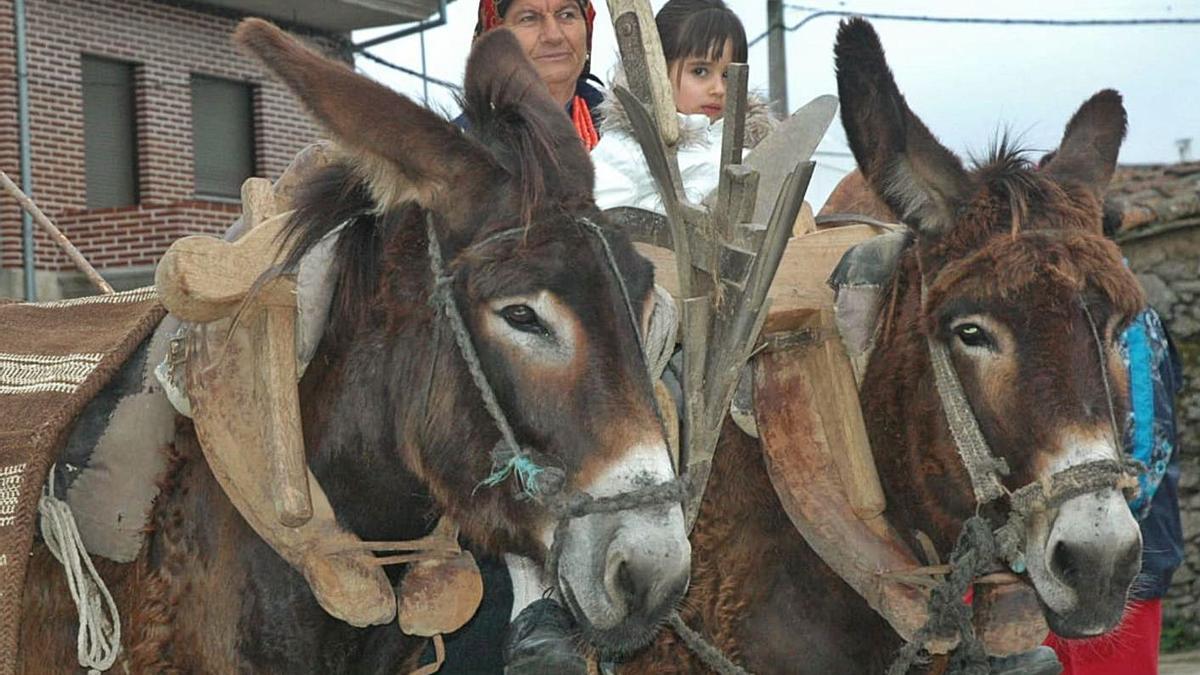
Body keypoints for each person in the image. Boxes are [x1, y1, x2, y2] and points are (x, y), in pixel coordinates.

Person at [1041, 207, 1186, 675]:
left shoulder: (1126, 314)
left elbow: (1146, 441)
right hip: (1065, 549)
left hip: (1112, 556)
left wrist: (1109, 531)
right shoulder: (1068, 311)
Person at [590, 0, 776, 213]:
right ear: (658, 70)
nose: (719, 89)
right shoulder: (629, 150)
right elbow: (594, 226)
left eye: (727, 75)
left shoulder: (755, 153)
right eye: (700, 71)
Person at [464, 0, 604, 149]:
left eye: (567, 15)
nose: (553, 36)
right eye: (528, 18)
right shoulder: (458, 153)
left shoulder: (625, 131)